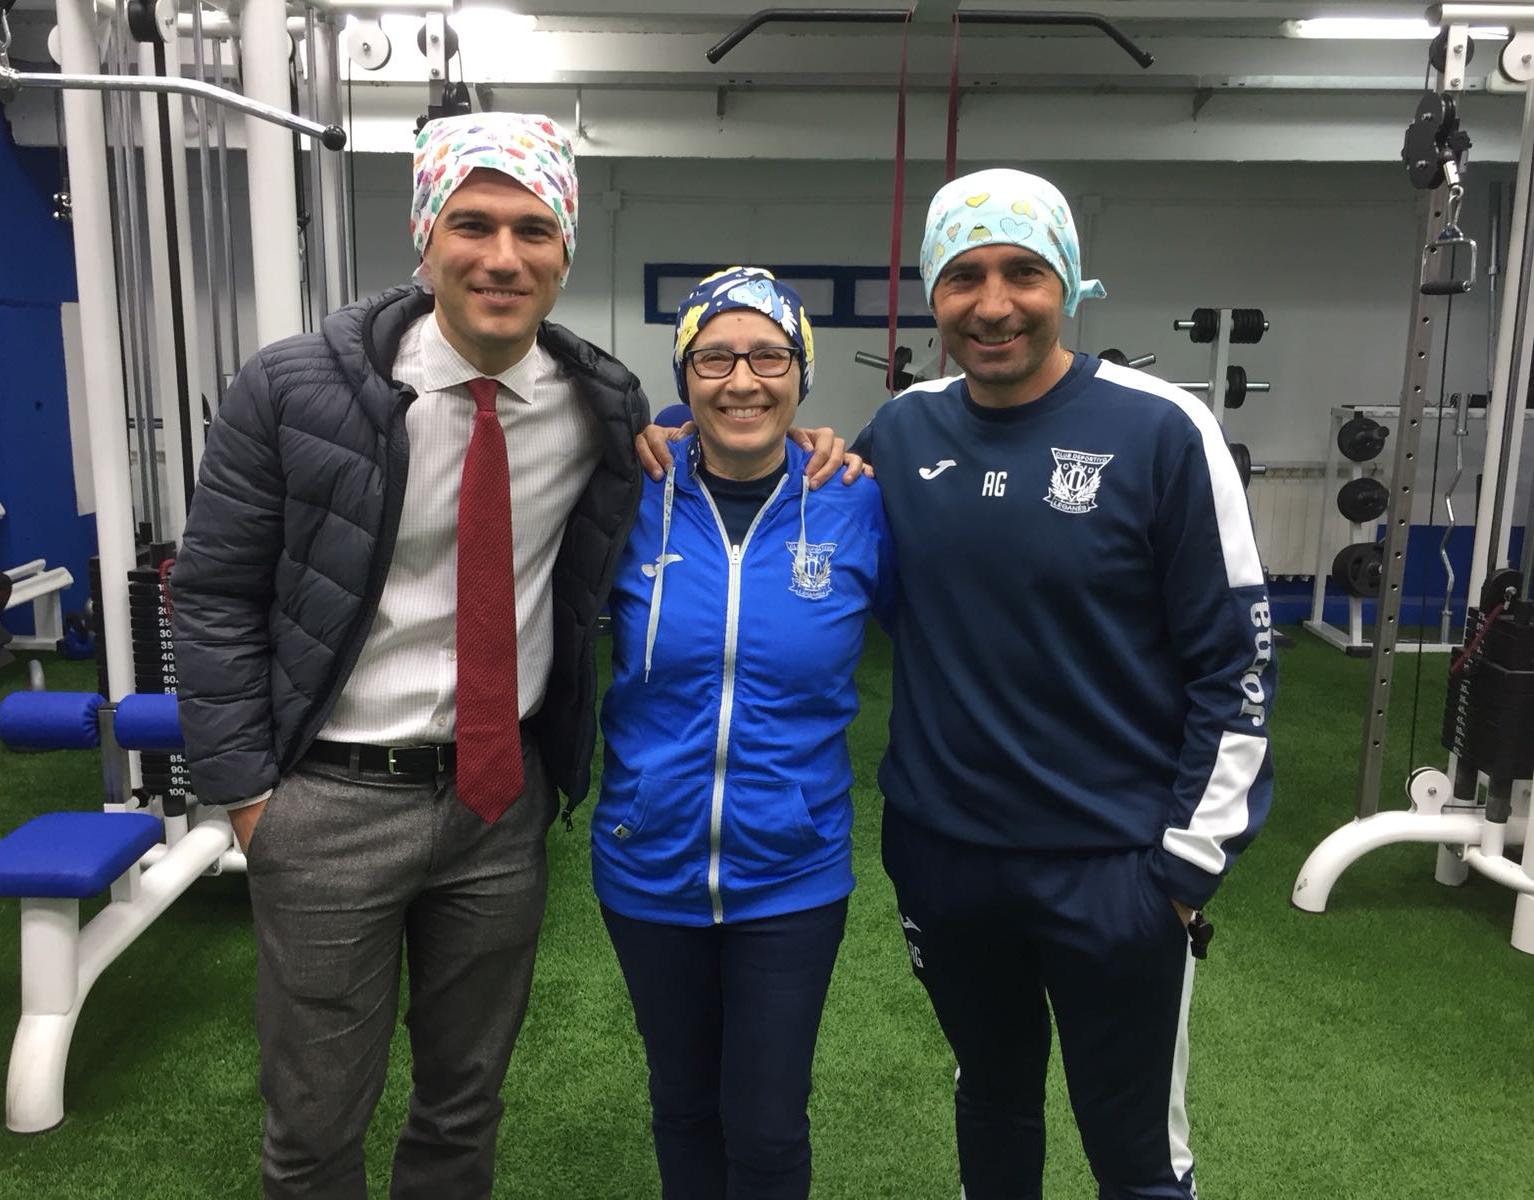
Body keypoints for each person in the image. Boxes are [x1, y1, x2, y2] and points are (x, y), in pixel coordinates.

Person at [171, 112, 847, 1200]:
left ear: (564, 252)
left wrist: (814, 440)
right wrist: (247, 797)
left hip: (498, 805)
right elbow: (211, 594)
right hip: (328, 797)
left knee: (463, 1106)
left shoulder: (601, 406)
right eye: (473, 225)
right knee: (314, 1124)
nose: (502, 256)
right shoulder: (293, 387)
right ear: (425, 237)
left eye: (533, 230)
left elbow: (716, 440)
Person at [850, 168, 1277, 1200]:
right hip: (946, 859)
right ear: (933, 294)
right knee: (992, 1103)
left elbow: (1238, 664)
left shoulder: (1162, 429)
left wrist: (1184, 869)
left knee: (1136, 1155)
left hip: (1115, 868)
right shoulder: (900, 433)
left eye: (1024, 273)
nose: (993, 304)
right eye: (964, 277)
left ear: (1069, 283)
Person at [594, 267, 893, 1199]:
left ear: (801, 373)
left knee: (766, 1128)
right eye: (714, 358)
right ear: (684, 377)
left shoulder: (854, 502)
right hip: (647, 862)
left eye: (769, 356)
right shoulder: (626, 494)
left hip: (792, 873)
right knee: (683, 1105)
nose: (742, 381)